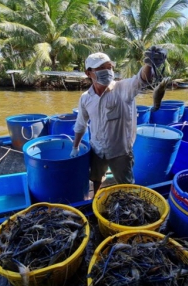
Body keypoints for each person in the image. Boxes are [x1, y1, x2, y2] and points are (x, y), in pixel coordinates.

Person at [70, 47, 167, 196]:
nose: (107, 71)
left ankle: (128, 205)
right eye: (101, 68)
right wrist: (75, 147)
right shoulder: (85, 98)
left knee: (126, 185)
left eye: (109, 67)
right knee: (96, 178)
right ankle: (95, 198)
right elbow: (81, 124)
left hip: (120, 151)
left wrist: (150, 64)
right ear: (88, 73)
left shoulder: (123, 88)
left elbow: (141, 79)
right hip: (97, 149)